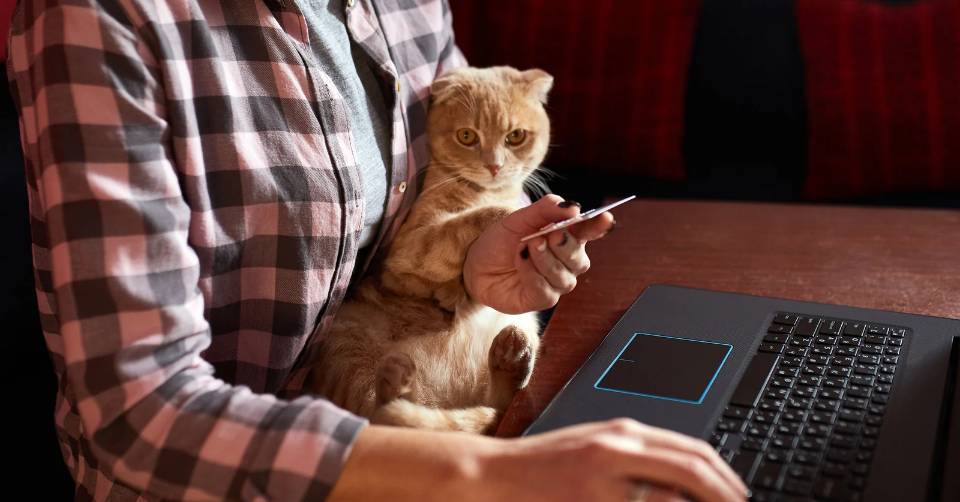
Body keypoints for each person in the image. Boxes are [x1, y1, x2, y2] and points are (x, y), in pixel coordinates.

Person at [6, 0, 748, 500]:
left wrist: (480, 258)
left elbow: (426, 198)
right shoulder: (97, 17)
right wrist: (485, 472)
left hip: (405, 401)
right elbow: (136, 413)